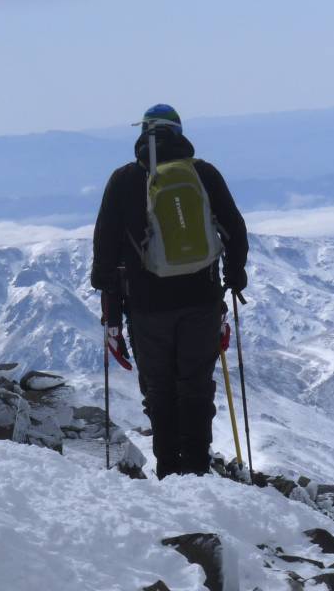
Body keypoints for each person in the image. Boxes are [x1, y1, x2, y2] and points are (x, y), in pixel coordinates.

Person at [91, 104, 248, 478]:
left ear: (143, 134)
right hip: (202, 300)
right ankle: (196, 469)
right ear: (179, 133)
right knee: (195, 386)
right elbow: (235, 230)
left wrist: (112, 313)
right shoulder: (203, 174)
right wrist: (234, 277)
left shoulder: (124, 180)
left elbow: (105, 254)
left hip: (147, 307)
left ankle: (168, 470)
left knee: (159, 390)